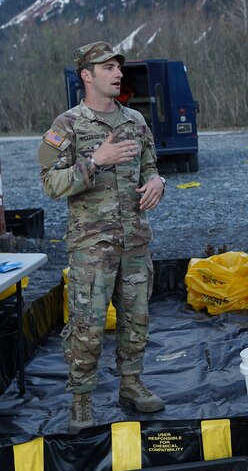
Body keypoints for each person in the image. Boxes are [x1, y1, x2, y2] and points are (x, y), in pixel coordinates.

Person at [39, 40, 168, 433]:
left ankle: (131, 384)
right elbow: (51, 184)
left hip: (134, 241)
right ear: (87, 75)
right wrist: (96, 161)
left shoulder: (136, 122)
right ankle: (81, 401)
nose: (117, 74)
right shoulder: (68, 125)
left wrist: (157, 182)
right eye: (107, 67)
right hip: (91, 248)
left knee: (137, 320)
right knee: (87, 326)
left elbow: (151, 166)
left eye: (118, 67)